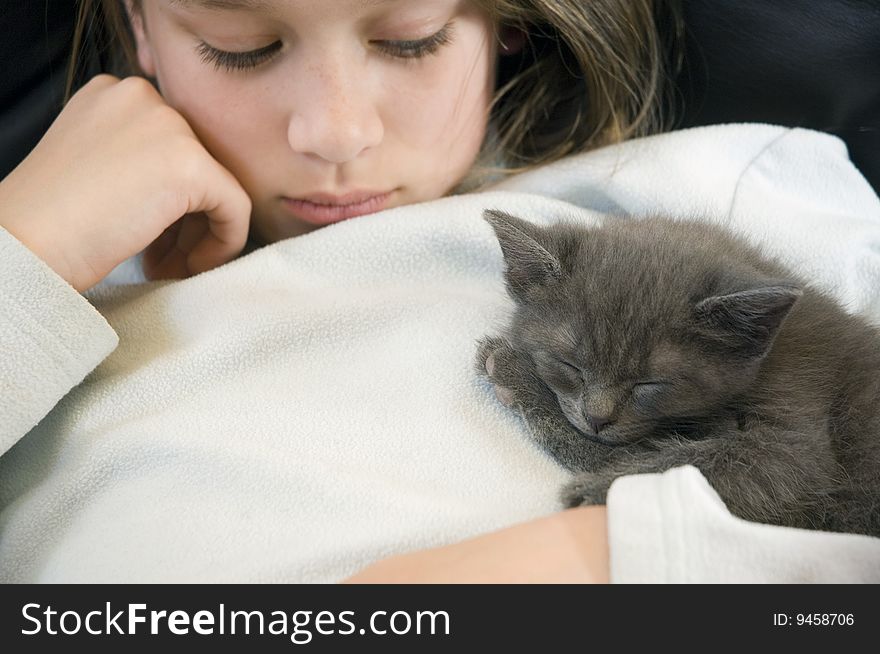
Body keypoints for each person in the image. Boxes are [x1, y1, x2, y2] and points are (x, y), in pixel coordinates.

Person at [0, 0, 877, 584]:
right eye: (241, 45)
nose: (336, 132)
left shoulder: (706, 192)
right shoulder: (55, 282)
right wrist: (24, 246)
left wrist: (608, 558)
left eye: (411, 37)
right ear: (140, 26)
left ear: (504, 22)